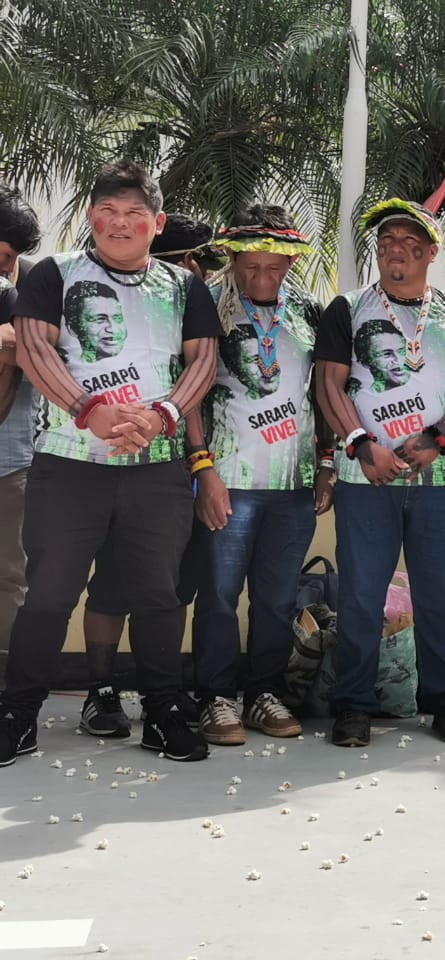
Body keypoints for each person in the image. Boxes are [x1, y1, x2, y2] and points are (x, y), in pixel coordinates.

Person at [0, 160, 219, 766]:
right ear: (91, 218)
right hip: (69, 465)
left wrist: (163, 416)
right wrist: (87, 409)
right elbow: (35, 348)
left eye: (133, 215)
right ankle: (18, 712)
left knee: (157, 595)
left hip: (155, 469)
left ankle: (164, 709)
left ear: (157, 223)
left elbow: (202, 362)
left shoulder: (184, 287)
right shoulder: (55, 274)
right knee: (49, 594)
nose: (119, 225)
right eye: (107, 213)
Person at [315, 198, 445, 748]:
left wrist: (438, 438)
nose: (398, 252)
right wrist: (361, 444)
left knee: (442, 596)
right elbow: (329, 381)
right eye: (388, 242)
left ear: (432, 253)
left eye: (412, 244)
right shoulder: (347, 308)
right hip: (365, 479)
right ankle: (353, 705)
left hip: (441, 483)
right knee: (362, 597)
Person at [187, 208, 331, 745]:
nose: (261, 279)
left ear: (292, 261)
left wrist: (325, 463)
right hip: (229, 479)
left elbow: (324, 395)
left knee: (275, 598)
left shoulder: (311, 314)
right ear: (233, 258)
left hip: (291, 485)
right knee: (220, 595)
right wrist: (203, 470)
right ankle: (215, 697)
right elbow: (193, 391)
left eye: (274, 268)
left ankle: (262, 693)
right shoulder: (209, 308)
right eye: (250, 267)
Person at [77, 215, 219, 738]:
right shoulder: (133, 315)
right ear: (179, 264)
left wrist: (203, 469)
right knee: (113, 583)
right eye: (199, 264)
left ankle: (162, 692)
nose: (204, 275)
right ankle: (101, 689)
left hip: (189, 475)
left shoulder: (202, 311)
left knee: (171, 589)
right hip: (124, 464)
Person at [0, 184, 41, 684]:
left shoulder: (20, 291)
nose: (8, 267)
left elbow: (25, 347)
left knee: (11, 576)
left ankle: (12, 691)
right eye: (6, 254)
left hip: (10, 464)